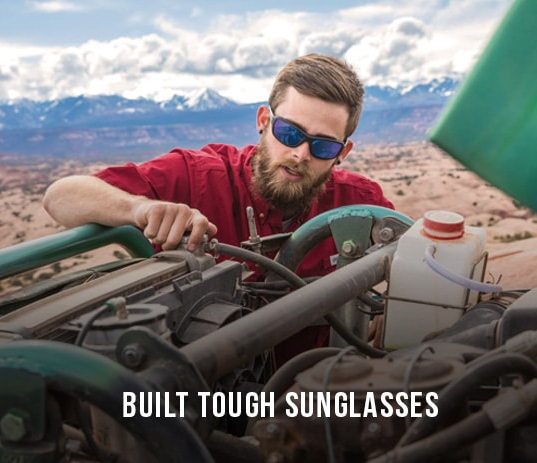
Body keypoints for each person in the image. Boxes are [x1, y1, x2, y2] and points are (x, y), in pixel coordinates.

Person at [43, 53, 394, 364]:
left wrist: (392, 305)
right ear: (263, 121)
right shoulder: (197, 176)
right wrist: (141, 209)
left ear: (342, 153)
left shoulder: (360, 202)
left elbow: (419, 253)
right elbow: (61, 196)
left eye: (323, 146)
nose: (300, 154)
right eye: (289, 133)